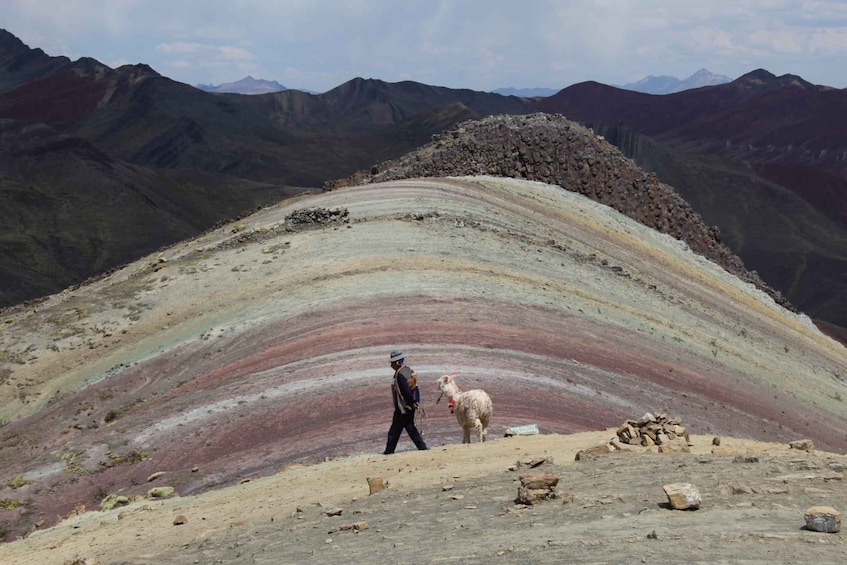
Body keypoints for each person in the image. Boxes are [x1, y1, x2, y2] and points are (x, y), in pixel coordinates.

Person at [383, 350, 428, 454]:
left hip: (403, 408)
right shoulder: (408, 370)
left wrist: (410, 402)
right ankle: (422, 448)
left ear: (398, 362)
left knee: (394, 431)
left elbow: (406, 392)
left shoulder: (399, 375)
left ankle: (389, 452)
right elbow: (415, 388)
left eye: (392, 363)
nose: (391, 365)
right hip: (411, 406)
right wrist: (416, 402)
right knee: (410, 428)